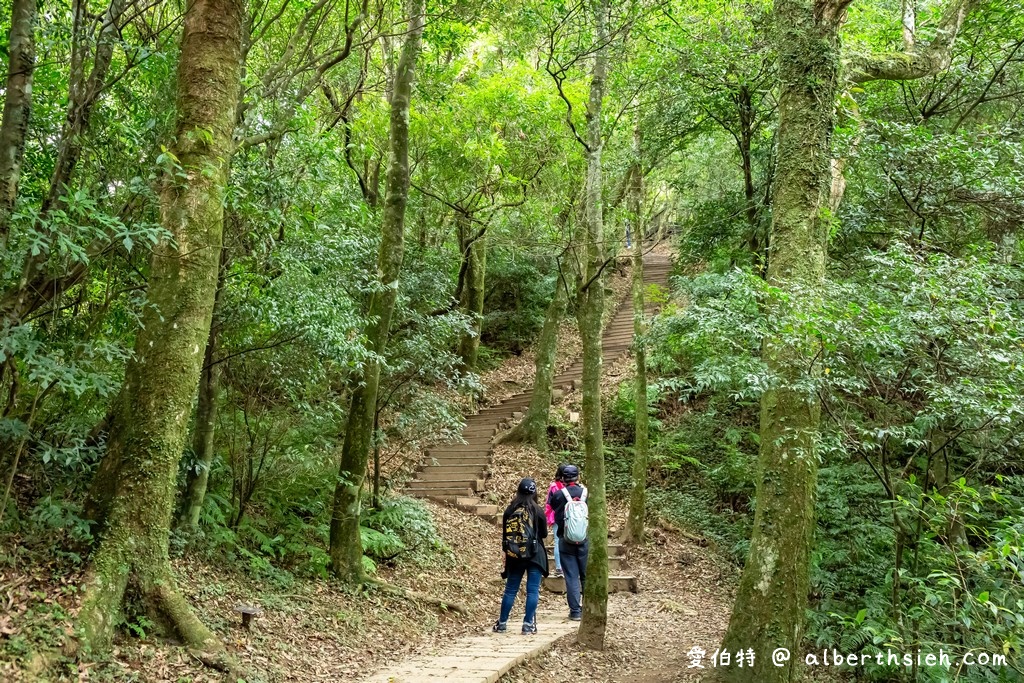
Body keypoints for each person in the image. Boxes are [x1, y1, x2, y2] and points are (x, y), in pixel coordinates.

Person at [494, 477, 549, 635]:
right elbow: (544, 534)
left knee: (511, 589)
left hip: (515, 554)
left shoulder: (510, 510)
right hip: (535, 554)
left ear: (518, 491)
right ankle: (528, 624)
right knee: (532, 590)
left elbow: (505, 535)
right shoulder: (537, 510)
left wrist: (505, 552)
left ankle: (502, 623)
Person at [549, 464, 587, 621]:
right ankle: (588, 607)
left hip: (565, 540)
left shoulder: (558, 495)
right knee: (585, 576)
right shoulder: (586, 493)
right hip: (584, 539)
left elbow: (553, 508)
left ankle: (575, 611)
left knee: (571, 576)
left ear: (563, 478)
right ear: (578, 477)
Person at [545, 464, 568, 577]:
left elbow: (549, 503)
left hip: (556, 517)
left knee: (558, 541)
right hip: (570, 517)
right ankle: (566, 567)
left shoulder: (554, 486)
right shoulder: (571, 486)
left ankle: (559, 568)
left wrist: (548, 518)